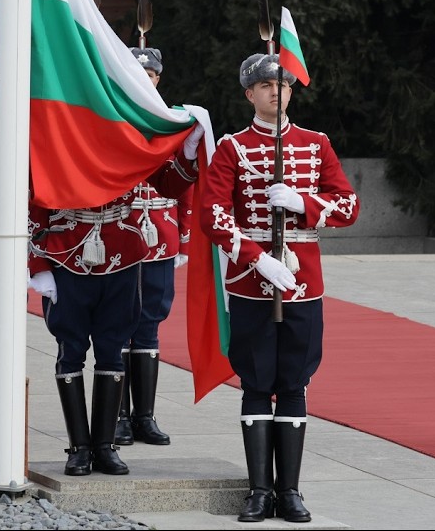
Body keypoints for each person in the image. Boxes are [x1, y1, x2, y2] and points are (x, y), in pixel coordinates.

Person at [199, 53, 360, 523]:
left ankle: (289, 491)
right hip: (252, 284)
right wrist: (256, 258)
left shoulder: (317, 143)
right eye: (265, 85)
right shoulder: (232, 147)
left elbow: (349, 206)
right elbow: (213, 214)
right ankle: (258, 491)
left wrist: (303, 201)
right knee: (255, 382)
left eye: (283, 85)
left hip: (303, 283)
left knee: (294, 382)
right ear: (249, 94)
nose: (276, 91)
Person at [28, 119, 202, 477]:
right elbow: (33, 204)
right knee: (70, 350)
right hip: (69, 256)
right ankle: (79, 448)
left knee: (113, 349)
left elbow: (168, 184)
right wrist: (38, 265)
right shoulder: (59, 138)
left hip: (123, 255)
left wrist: (187, 150)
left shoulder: (127, 138)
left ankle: (105, 446)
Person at [115, 46, 188, 447]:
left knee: (150, 325)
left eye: (152, 75)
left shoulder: (175, 121)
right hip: (121, 236)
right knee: (120, 325)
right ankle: (120, 416)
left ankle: (145, 415)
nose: (146, 80)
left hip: (161, 234)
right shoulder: (114, 116)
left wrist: (186, 237)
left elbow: (187, 181)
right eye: (138, 73)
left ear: (159, 78)